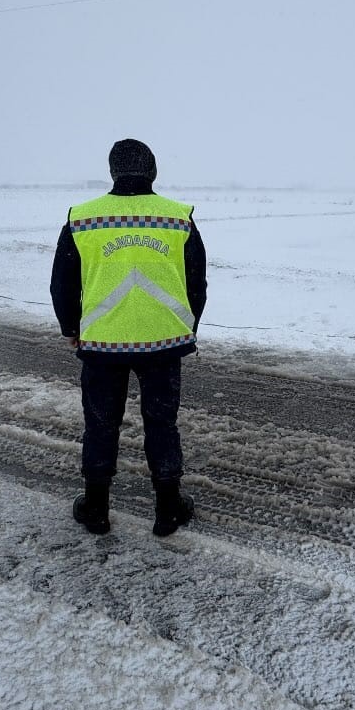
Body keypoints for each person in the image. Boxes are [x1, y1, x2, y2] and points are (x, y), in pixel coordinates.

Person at [51, 139, 207, 536]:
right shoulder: (178, 218)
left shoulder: (82, 218)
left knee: (101, 424)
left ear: (113, 171)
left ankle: (97, 508)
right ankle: (168, 508)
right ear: (153, 170)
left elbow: (63, 284)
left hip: (102, 345)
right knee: (161, 423)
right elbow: (197, 283)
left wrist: (71, 329)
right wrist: (189, 325)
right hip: (163, 343)